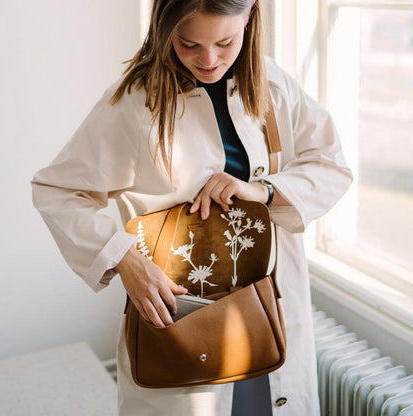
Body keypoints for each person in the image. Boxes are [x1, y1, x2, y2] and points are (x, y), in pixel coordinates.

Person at [31, 0, 353, 414]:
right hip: (181, 316)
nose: (208, 60)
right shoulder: (133, 102)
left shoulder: (274, 84)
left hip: (264, 310)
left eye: (224, 42)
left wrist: (266, 191)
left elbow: (331, 165)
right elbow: (56, 190)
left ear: (251, 14)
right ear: (165, 27)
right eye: (188, 44)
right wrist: (123, 259)